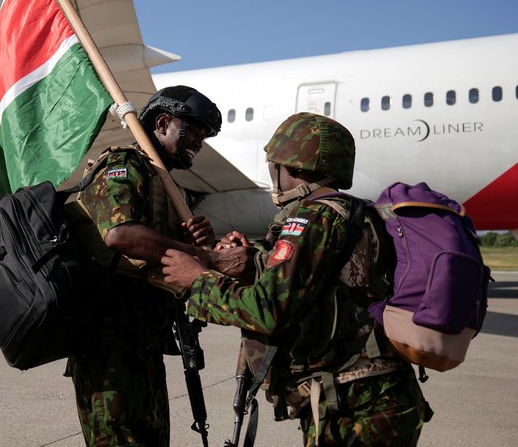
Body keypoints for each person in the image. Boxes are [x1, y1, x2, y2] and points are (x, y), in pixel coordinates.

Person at [161, 112, 432, 446]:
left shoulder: (313, 218)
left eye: (274, 163)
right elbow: (328, 283)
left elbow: (268, 311)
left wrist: (197, 279)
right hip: (380, 395)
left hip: (354, 406)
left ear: (288, 166)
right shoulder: (355, 213)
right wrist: (257, 263)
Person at [65, 85, 221, 447]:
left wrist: (195, 238)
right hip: (109, 345)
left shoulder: (165, 184)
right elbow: (120, 235)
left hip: (143, 340)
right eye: (194, 131)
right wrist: (198, 256)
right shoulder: (125, 164)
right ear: (163, 123)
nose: (199, 142)